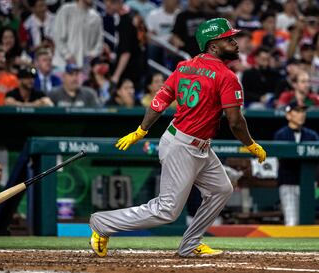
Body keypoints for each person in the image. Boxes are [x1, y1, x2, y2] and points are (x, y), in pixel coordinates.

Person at [89, 18, 267, 258]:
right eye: (229, 39)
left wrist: (142, 129)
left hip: (193, 143)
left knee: (222, 189)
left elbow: (160, 101)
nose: (235, 43)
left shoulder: (184, 66)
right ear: (213, 46)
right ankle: (102, 224)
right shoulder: (226, 76)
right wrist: (251, 144)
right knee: (167, 210)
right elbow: (235, 122)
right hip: (183, 146)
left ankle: (190, 244)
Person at [274, 101, 319, 226]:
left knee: (307, 221)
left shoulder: (312, 135)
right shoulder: (281, 135)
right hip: (289, 182)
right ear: (288, 115)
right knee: (292, 221)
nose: (301, 114)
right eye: (297, 111)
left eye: (303, 111)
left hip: (309, 184)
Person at [52, 0, 103, 70]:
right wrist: (67, 56)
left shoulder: (96, 17)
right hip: (62, 66)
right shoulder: (65, 10)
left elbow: (99, 43)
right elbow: (57, 36)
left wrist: (92, 55)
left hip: (84, 69)